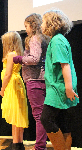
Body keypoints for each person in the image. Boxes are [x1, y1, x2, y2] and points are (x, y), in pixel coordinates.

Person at [40, 9, 79, 150]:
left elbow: (65, 65)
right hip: (58, 86)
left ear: (51, 23)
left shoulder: (57, 41)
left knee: (46, 119)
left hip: (59, 88)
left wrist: (68, 88)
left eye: (43, 22)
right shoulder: (57, 40)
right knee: (62, 121)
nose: (41, 25)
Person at [13, 13, 50, 150]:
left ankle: (40, 146)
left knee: (39, 116)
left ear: (33, 25)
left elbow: (34, 59)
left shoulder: (34, 39)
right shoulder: (43, 38)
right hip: (41, 79)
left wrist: (19, 59)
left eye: (26, 26)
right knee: (42, 115)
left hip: (35, 80)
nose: (26, 29)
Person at [0, 31, 28, 150]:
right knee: (17, 113)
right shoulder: (18, 53)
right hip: (16, 83)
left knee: (16, 113)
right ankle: (17, 143)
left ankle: (17, 144)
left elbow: (7, 74)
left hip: (12, 84)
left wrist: (2, 89)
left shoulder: (11, 54)